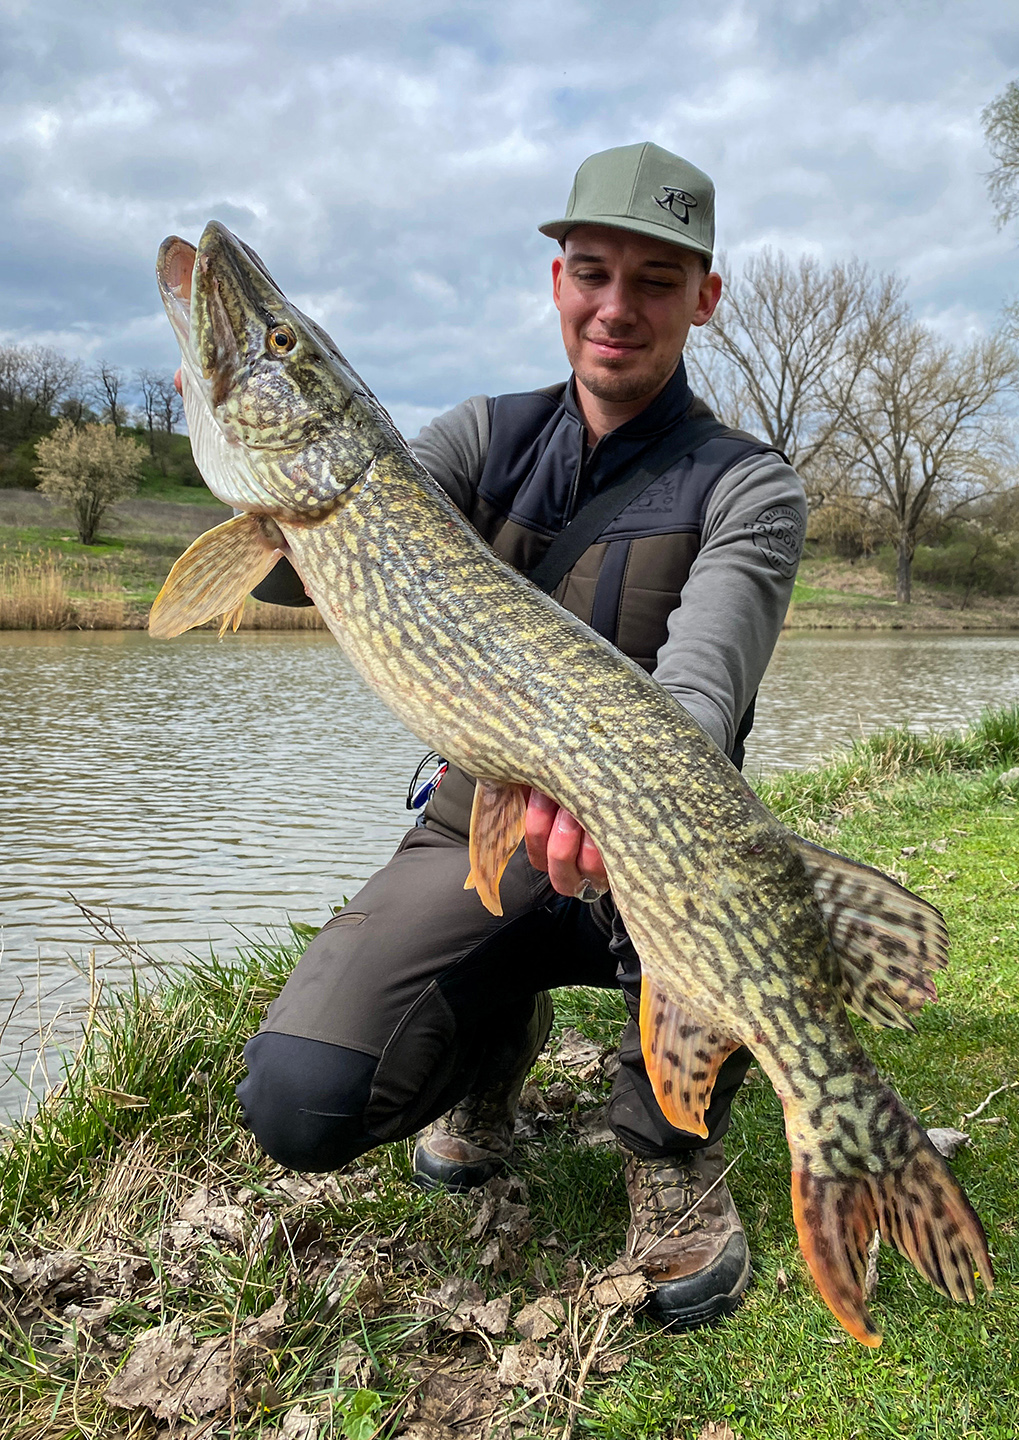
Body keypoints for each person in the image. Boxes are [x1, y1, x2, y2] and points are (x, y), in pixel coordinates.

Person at [235, 142, 807, 1329]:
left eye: (656, 281)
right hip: (477, 830)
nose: (616, 307)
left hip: (658, 835)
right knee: (299, 1099)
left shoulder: (750, 485)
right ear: (557, 282)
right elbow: (298, 579)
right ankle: (491, 1045)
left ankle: (669, 1153)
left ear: (705, 298)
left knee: (736, 903)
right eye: (592, 271)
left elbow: (701, 684)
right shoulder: (474, 439)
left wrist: (612, 793)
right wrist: (250, 478)